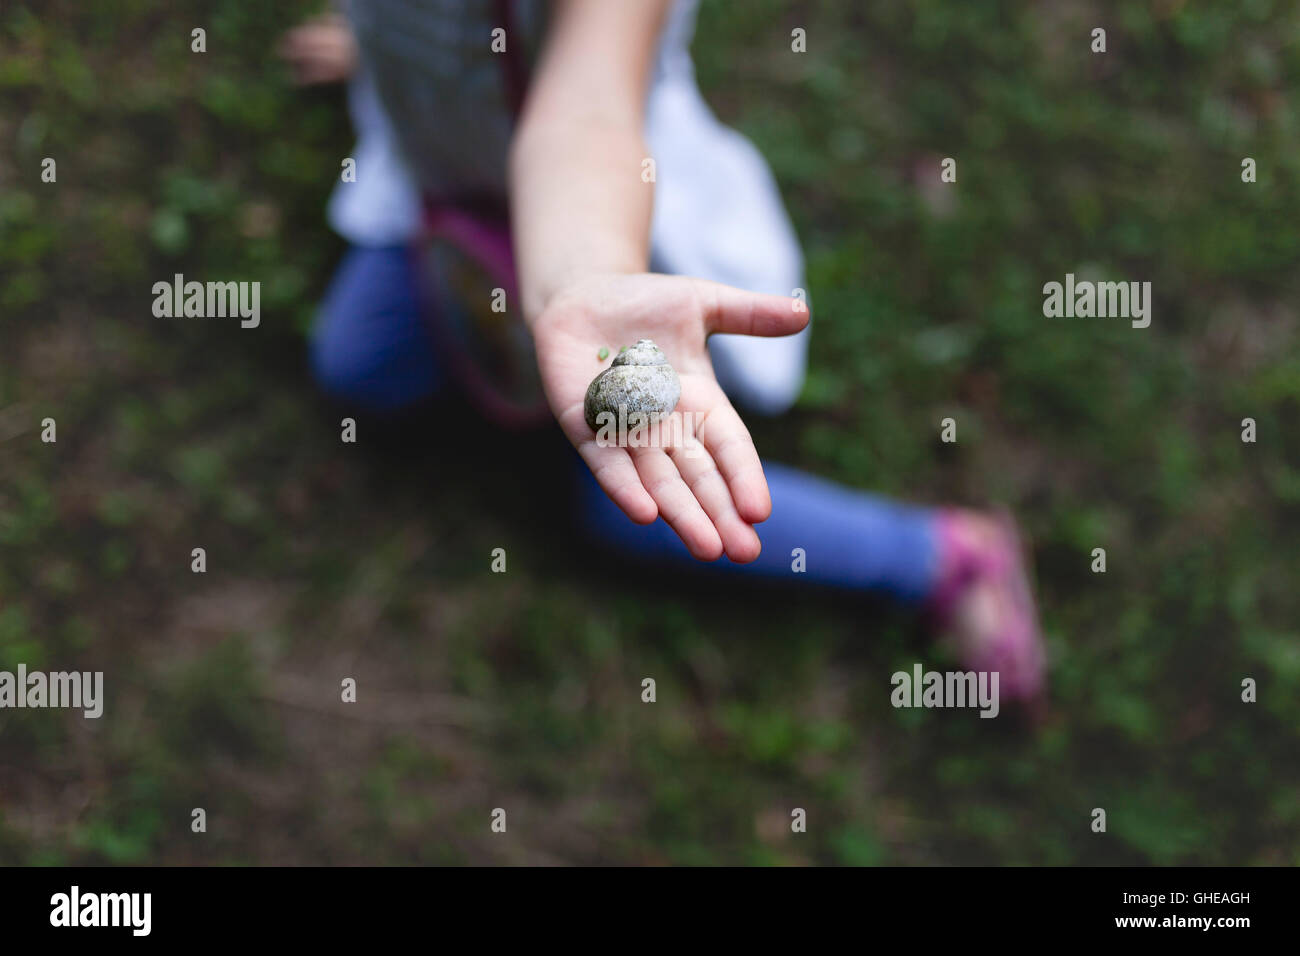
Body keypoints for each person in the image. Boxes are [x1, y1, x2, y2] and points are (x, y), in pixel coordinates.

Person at [279, 0, 1047, 702]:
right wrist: (385, 48)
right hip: (435, 184)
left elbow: (586, 116)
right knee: (360, 369)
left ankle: (939, 555)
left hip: (584, 211)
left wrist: (588, 279)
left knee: (625, 504)